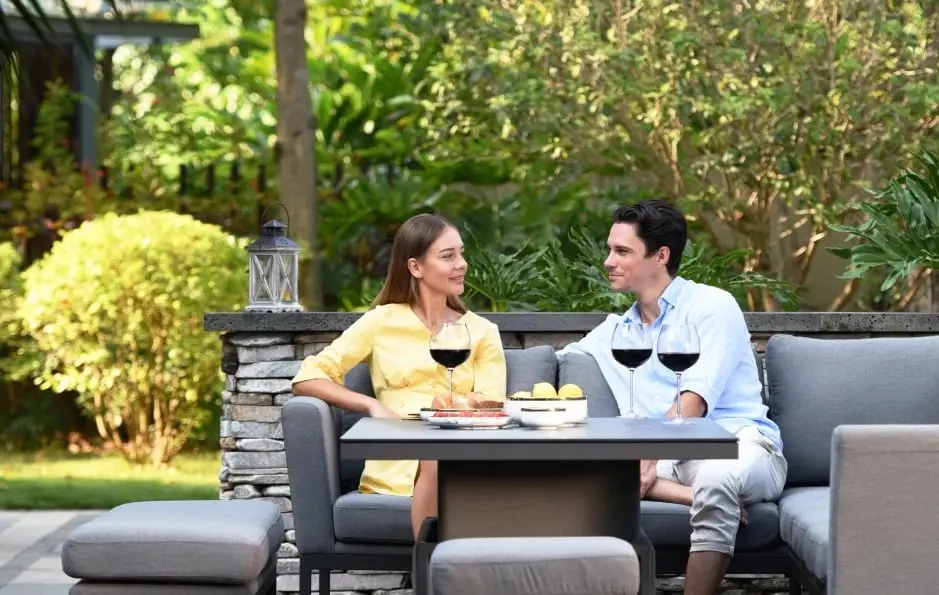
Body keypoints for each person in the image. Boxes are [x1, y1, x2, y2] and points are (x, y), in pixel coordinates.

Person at [558, 199, 787, 595]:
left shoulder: (712, 307)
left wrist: (645, 458)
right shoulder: (617, 332)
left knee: (717, 476)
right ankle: (695, 496)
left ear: (660, 256)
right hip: (666, 462)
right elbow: (554, 364)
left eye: (622, 251)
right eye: (610, 250)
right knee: (585, 473)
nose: (608, 261)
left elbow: (694, 400)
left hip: (733, 444)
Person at [290, 213, 507, 539]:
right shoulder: (381, 322)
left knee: (441, 453)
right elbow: (307, 379)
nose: (461, 263)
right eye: (448, 256)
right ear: (415, 267)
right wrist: (370, 405)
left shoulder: (481, 331)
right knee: (435, 457)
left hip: (461, 450)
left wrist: (462, 403)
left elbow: (492, 403)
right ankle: (431, 571)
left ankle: (431, 572)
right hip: (398, 452)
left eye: (461, 253)